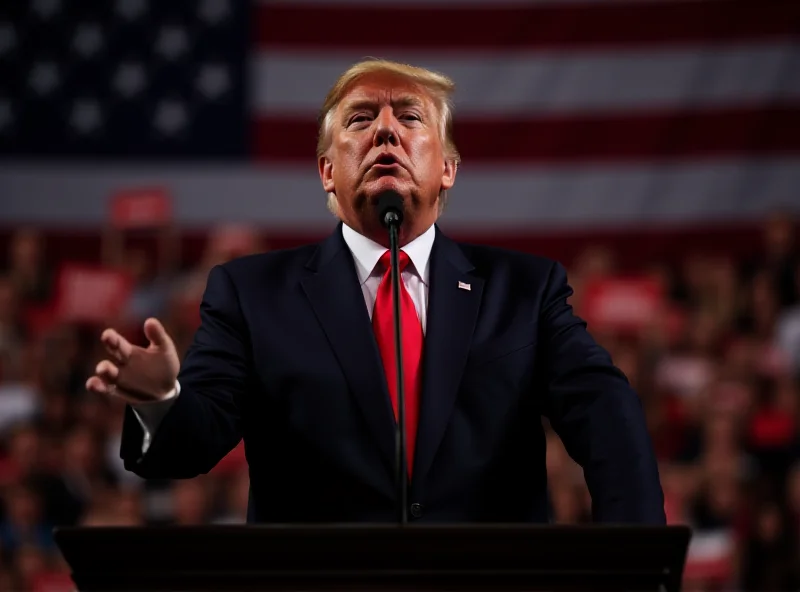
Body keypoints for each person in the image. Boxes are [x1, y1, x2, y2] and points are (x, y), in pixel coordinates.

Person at [86, 59, 665, 524]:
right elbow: (190, 447)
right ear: (326, 172)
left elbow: (607, 416)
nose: (386, 129)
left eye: (410, 117)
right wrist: (162, 398)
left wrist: (636, 570)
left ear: (449, 169)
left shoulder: (525, 291)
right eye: (360, 120)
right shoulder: (250, 293)